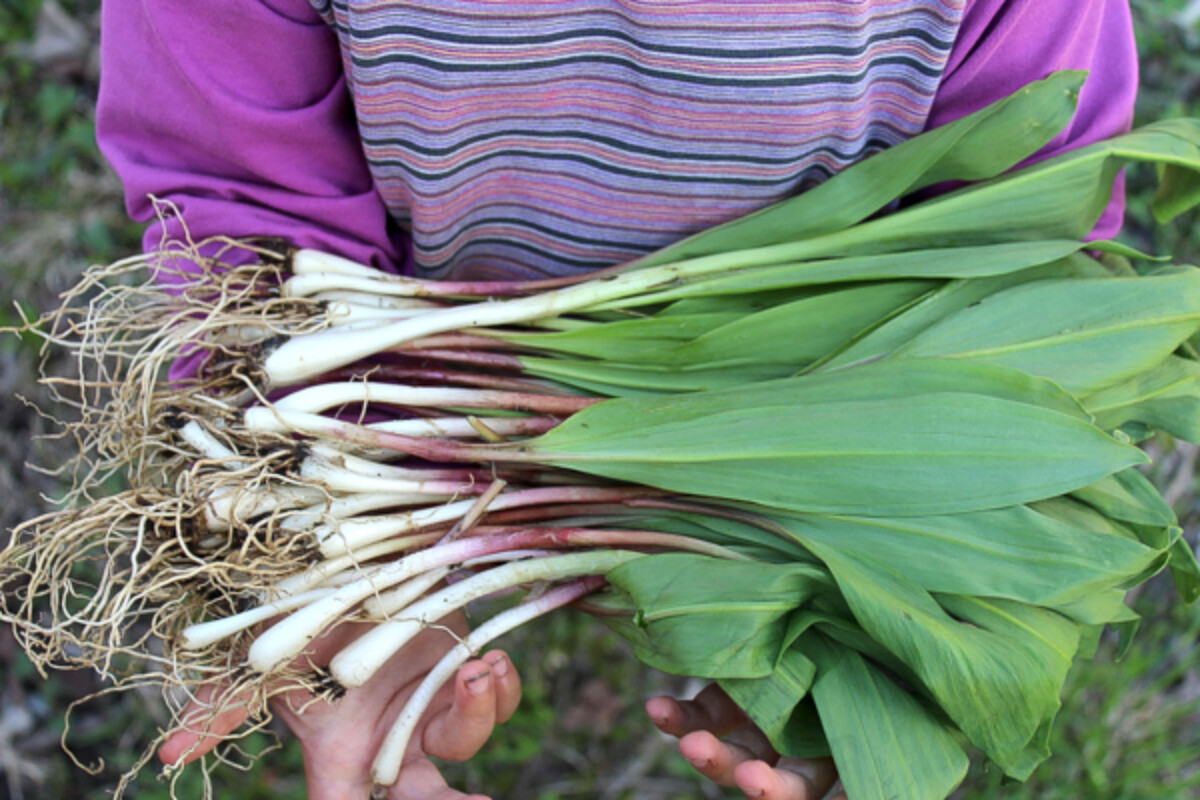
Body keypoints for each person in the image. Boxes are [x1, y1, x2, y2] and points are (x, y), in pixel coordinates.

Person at [97, 2, 1138, 798]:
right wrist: (342, 555)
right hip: (422, 408)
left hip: (760, 456)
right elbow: (238, 182)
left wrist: (854, 636)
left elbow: (1019, 238)